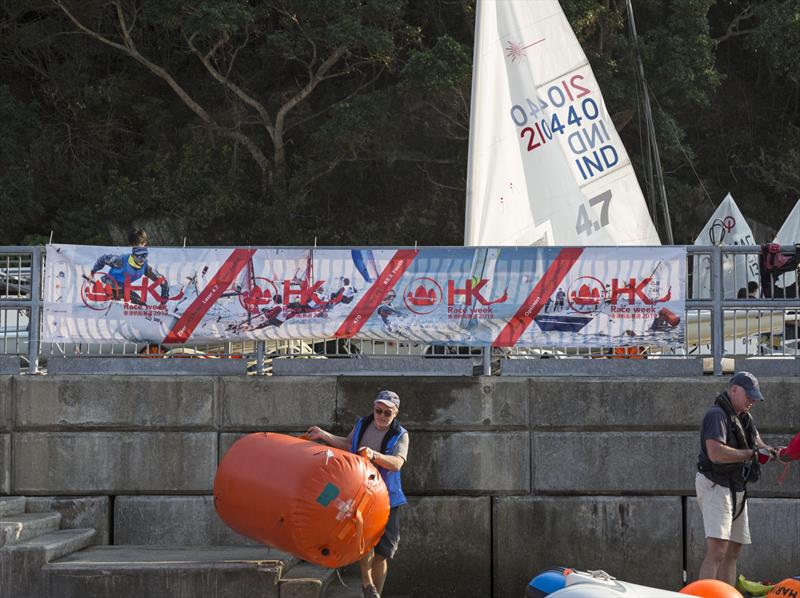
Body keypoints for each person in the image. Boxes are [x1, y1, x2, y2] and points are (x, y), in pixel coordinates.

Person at [306, 390, 409, 598]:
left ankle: (374, 593)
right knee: (364, 542)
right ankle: (366, 582)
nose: (381, 415)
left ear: (395, 413)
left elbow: (397, 463)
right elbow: (347, 444)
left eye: (387, 413)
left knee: (382, 553)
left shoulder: (401, 434)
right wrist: (323, 435)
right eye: (378, 410)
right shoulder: (363, 423)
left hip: (387, 498)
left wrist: (374, 455)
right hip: (360, 493)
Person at [696, 371, 777, 585]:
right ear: (733, 390)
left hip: (736, 486)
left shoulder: (744, 416)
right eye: (748, 395)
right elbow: (715, 453)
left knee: (733, 549)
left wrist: (773, 451)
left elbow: (757, 443)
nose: (752, 400)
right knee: (717, 550)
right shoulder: (716, 415)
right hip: (716, 485)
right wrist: (751, 454)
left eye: (754, 396)